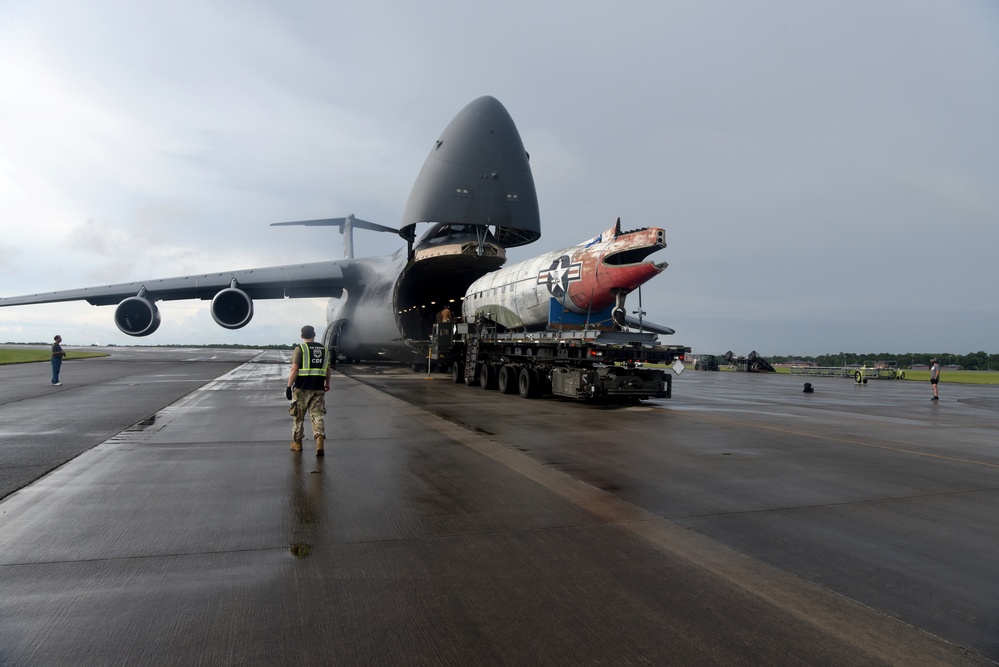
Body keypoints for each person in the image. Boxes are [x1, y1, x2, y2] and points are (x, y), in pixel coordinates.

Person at [286, 325, 332, 456]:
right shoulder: (324, 349)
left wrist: (289, 386)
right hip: (318, 387)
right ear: (314, 334)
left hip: (302, 388)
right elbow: (328, 369)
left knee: (298, 417)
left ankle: (297, 443)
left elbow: (294, 369)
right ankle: (319, 441)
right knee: (318, 415)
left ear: (302, 336)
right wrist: (327, 383)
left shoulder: (300, 349)